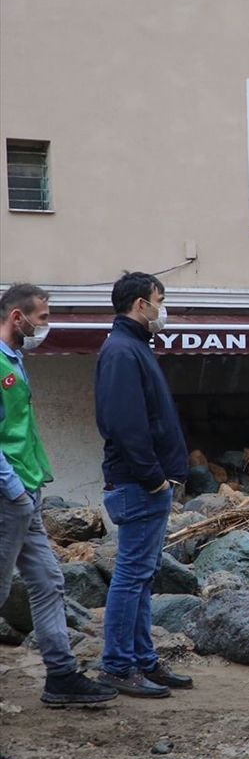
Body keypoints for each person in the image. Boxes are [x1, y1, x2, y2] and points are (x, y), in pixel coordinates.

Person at [0, 284, 119, 706]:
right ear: (18, 317)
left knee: (49, 581)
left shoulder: (15, 359)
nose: (45, 326)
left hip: (25, 492)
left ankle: (61, 676)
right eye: (43, 318)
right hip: (11, 494)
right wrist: (14, 490)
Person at [94, 272, 191, 697]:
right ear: (140, 304)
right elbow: (126, 423)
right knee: (132, 576)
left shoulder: (133, 347)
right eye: (160, 299)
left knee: (142, 575)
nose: (163, 307)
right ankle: (117, 665)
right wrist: (154, 478)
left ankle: (142, 659)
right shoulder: (122, 351)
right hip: (139, 484)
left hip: (145, 483)